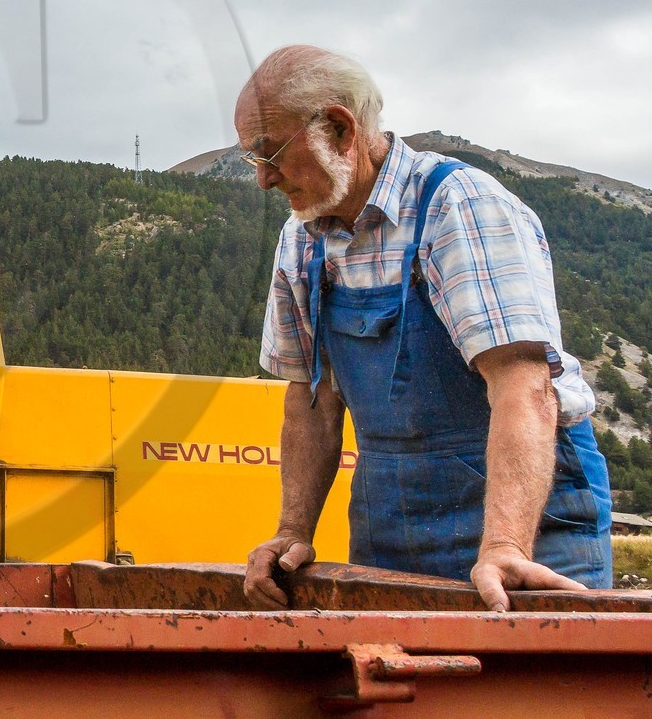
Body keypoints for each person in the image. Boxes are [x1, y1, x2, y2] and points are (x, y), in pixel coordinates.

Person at [236, 45, 611, 612]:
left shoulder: (458, 205)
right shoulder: (301, 239)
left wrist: (506, 545)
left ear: (339, 129)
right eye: (253, 159)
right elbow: (312, 399)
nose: (264, 179)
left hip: (531, 525)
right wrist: (292, 531)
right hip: (392, 522)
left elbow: (523, 386)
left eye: (272, 153)